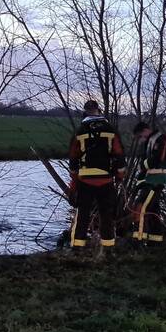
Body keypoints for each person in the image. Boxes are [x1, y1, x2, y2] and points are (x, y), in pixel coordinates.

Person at [68, 100, 126, 251]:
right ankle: (107, 248)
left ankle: (77, 247)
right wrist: (120, 177)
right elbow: (119, 154)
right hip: (106, 178)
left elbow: (74, 157)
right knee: (106, 214)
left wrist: (73, 181)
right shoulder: (110, 129)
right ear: (99, 110)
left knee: (83, 214)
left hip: (85, 179)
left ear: (86, 111)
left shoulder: (80, 130)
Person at [131, 121, 166, 244]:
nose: (139, 141)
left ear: (144, 131)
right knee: (153, 210)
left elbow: (155, 160)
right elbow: (146, 164)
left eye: (139, 137)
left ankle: (139, 239)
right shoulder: (150, 141)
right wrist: (140, 181)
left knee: (141, 207)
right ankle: (155, 240)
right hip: (151, 180)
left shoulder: (159, 139)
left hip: (156, 181)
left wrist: (142, 164)